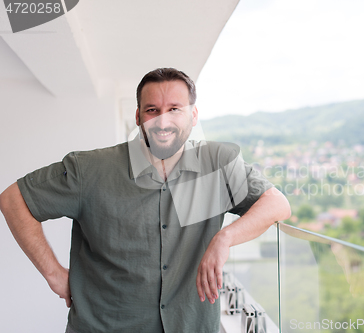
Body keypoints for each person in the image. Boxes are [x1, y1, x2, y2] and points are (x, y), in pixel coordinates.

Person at [0, 68, 291, 333]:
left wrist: (224, 238)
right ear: (138, 116)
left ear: (193, 115)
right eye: (153, 110)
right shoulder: (88, 169)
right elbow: (14, 199)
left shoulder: (218, 165)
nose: (163, 120)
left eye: (175, 109)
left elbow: (277, 204)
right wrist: (54, 274)